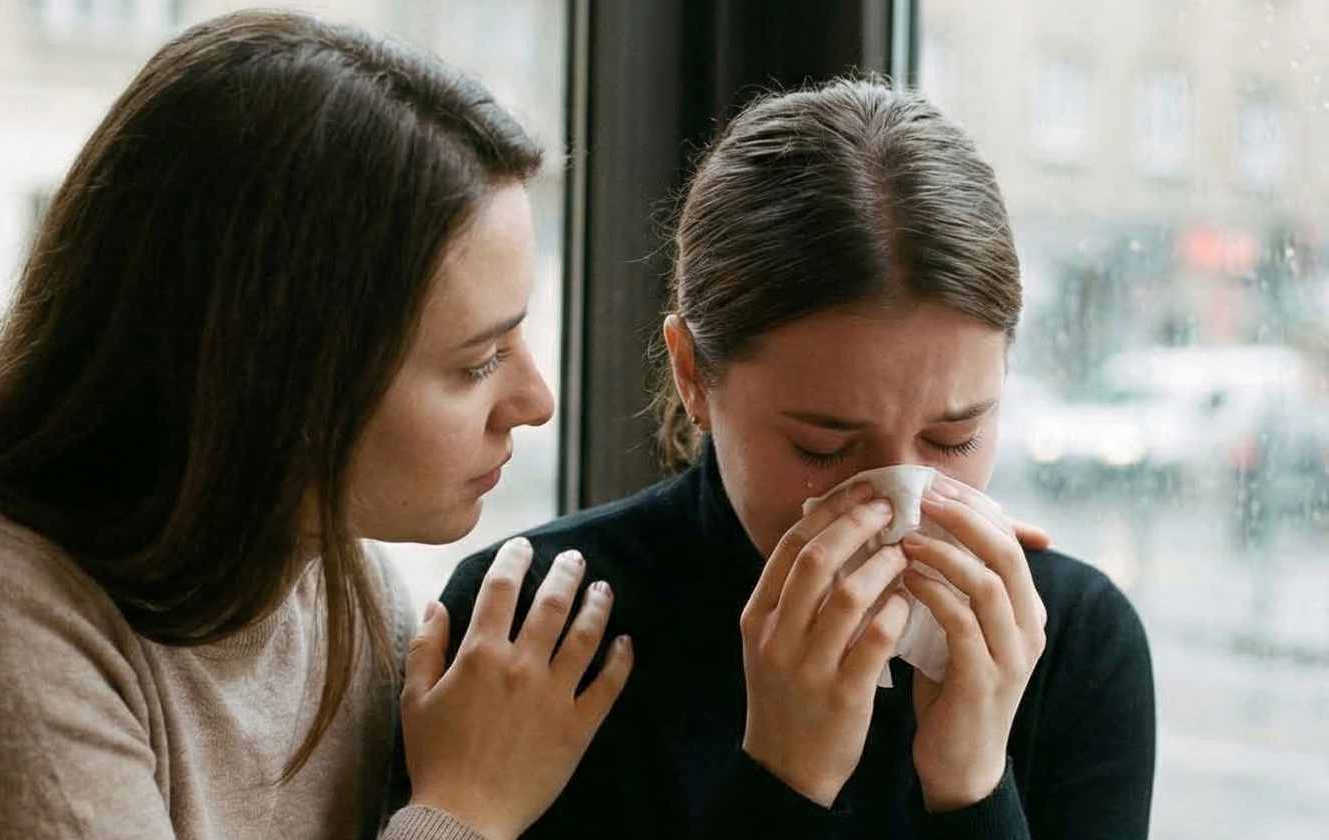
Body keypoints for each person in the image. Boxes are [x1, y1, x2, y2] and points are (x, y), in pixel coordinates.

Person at [0, 11, 631, 840]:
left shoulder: (341, 586)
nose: (535, 400)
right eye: (476, 363)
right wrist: (465, 809)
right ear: (279, 375)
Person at [438, 79, 1156, 839]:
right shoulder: (533, 634)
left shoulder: (1072, 640)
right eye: (824, 446)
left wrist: (974, 785)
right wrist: (785, 779)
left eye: (954, 439)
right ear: (693, 375)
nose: (896, 502)